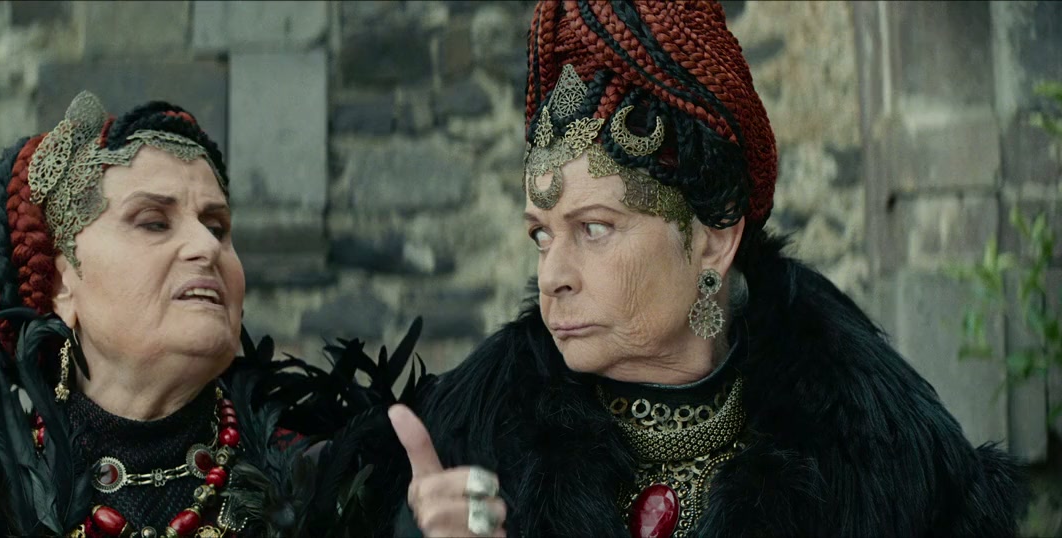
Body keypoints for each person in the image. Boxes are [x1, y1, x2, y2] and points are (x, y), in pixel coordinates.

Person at [380, 1, 1028, 537]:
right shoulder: (472, 451)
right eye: (541, 235)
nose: (553, 276)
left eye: (594, 228)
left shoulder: (880, 465)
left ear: (715, 239)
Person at [0, 91, 422, 537]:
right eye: (153, 221)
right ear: (62, 284)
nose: (206, 247)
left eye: (218, 226)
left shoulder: (339, 484)